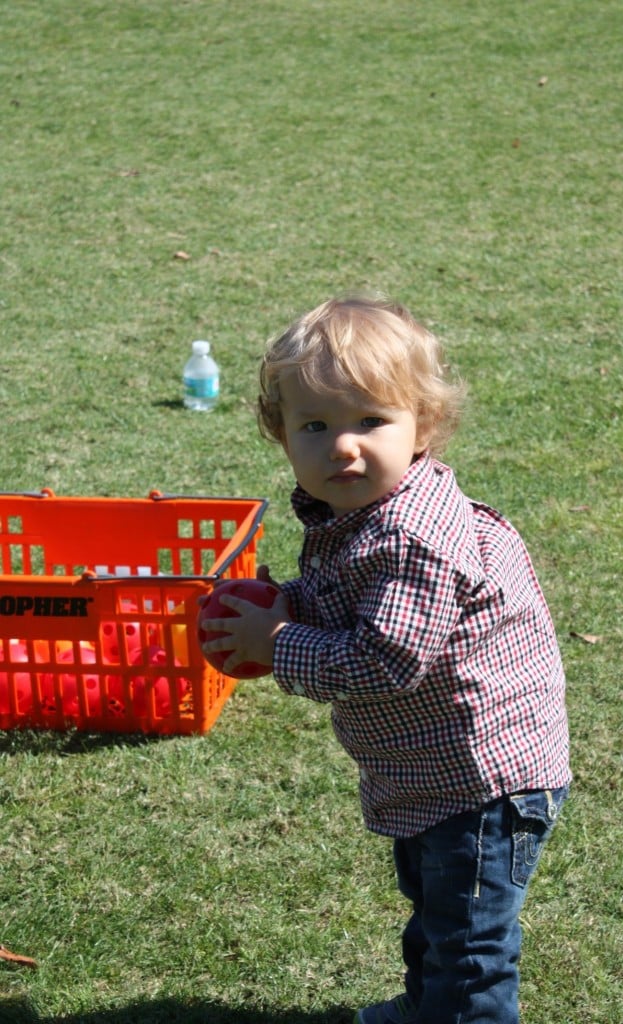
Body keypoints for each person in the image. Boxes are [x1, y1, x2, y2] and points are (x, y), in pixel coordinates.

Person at [200, 295, 571, 1024]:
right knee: (435, 909)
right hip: (432, 772)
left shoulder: (411, 539)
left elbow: (382, 663)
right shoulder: (362, 516)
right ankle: (425, 1006)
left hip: (485, 784)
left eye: (371, 421)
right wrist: (292, 603)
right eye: (315, 425)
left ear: (423, 425)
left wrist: (277, 643)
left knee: (471, 944)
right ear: (282, 438)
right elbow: (351, 595)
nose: (343, 446)